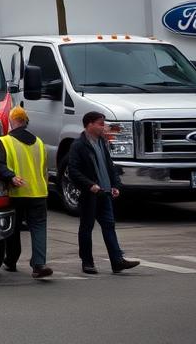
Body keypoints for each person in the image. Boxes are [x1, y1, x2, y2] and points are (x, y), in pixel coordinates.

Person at [66, 111, 141, 274]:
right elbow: (73, 171)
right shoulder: (78, 145)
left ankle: (117, 261)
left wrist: (115, 185)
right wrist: (89, 185)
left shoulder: (101, 142)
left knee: (109, 226)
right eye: (101, 124)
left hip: (105, 192)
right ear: (89, 124)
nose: (104, 127)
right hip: (90, 194)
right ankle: (87, 262)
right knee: (86, 227)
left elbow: (109, 166)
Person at [0, 106, 52, 278]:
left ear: (12, 122)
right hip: (39, 193)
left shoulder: (4, 141)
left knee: (14, 229)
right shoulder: (39, 143)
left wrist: (10, 177)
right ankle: (39, 264)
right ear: (25, 121)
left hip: (16, 193)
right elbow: (45, 170)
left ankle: (11, 260)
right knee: (39, 228)